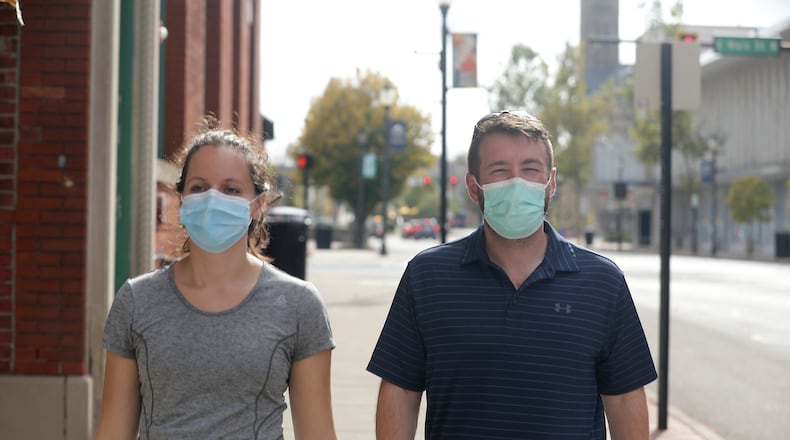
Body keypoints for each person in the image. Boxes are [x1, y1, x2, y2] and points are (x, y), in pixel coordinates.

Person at [367, 110, 657, 439]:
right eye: (499, 170)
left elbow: (625, 399)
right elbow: (400, 391)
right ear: (474, 188)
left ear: (551, 182)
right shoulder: (427, 277)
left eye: (531, 169)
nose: (517, 182)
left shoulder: (603, 283)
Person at [95, 117, 337, 440]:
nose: (212, 199)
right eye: (198, 187)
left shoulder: (298, 305)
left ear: (258, 204)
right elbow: (112, 432)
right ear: (181, 200)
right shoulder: (136, 302)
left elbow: (318, 434)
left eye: (230, 189)